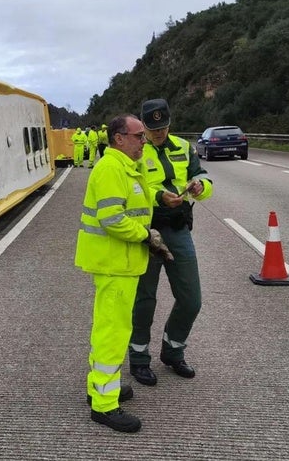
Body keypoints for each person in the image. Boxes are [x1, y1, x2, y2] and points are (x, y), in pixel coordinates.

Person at [75, 114, 173, 433]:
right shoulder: (111, 168)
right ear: (119, 138)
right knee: (113, 332)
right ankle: (104, 405)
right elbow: (112, 219)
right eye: (139, 136)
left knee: (110, 328)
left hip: (121, 263)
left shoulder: (125, 166)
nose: (144, 141)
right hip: (115, 264)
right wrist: (146, 235)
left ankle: (101, 387)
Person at [129, 98, 213, 387]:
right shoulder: (135, 150)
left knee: (191, 299)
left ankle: (173, 350)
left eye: (162, 127)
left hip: (178, 229)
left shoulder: (184, 147)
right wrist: (157, 196)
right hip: (147, 231)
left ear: (169, 123)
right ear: (143, 126)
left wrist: (201, 187)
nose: (158, 134)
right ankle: (139, 359)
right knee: (144, 300)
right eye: (152, 129)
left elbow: (200, 175)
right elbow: (133, 185)